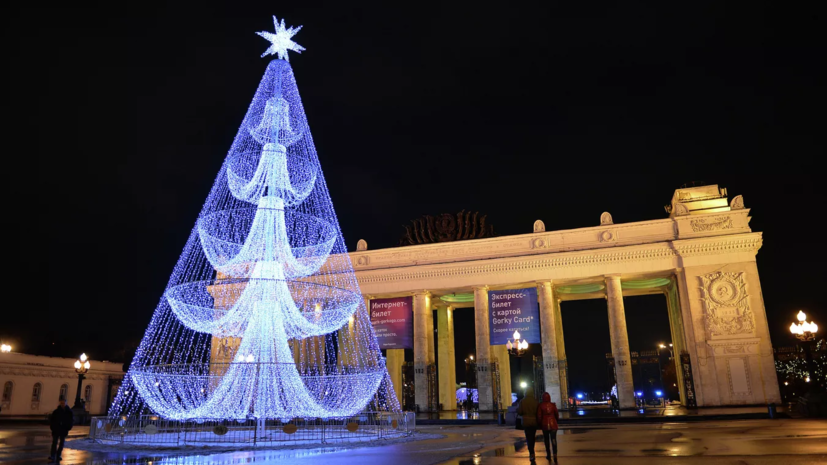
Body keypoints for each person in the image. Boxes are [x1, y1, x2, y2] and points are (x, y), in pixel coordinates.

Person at [536, 392, 560, 462]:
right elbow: (557, 414)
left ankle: (548, 455)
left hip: (545, 425)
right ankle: (555, 454)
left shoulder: (541, 405)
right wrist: (555, 421)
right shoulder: (553, 405)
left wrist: (539, 424)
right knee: (553, 439)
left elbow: (539, 416)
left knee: (546, 440)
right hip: (553, 424)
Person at [517, 391, 539, 461]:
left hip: (526, 422)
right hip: (534, 421)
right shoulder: (535, 401)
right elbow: (538, 412)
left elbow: (520, 412)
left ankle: (531, 453)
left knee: (528, 438)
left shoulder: (522, 401)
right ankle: (532, 450)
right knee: (533, 437)